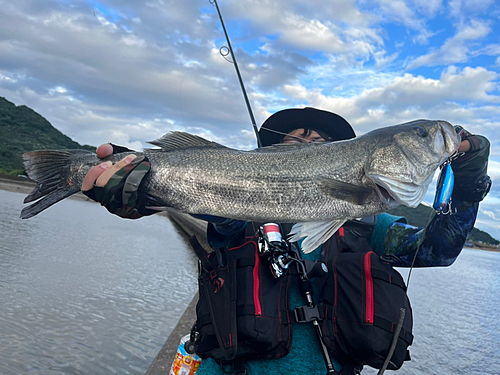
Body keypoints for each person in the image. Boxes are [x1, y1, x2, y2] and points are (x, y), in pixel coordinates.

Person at [81, 107, 491, 374]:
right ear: (271, 153)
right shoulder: (235, 213)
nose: (310, 145)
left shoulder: (369, 223)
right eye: (296, 139)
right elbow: (172, 197)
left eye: (323, 143)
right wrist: (129, 192)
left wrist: (469, 181)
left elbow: (438, 250)